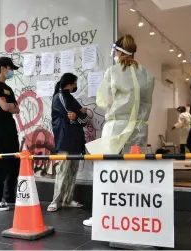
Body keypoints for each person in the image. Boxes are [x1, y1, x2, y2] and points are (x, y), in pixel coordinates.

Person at [83, 34, 155, 227]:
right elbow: (147, 102)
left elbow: (104, 100)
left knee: (107, 171)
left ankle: (102, 214)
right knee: (134, 171)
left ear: (118, 51)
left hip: (116, 127)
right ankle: (133, 215)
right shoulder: (147, 74)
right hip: (139, 128)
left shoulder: (112, 71)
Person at [47, 73, 90, 212]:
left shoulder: (71, 98)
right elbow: (72, 116)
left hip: (76, 141)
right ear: (69, 83)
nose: (76, 86)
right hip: (64, 140)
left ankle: (67, 199)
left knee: (72, 172)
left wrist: (79, 114)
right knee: (63, 171)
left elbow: (83, 119)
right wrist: (79, 113)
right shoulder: (59, 97)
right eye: (75, 83)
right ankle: (55, 201)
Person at [0, 57, 21, 211]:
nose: (11, 71)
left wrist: (10, 105)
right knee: (0, 167)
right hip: (0, 130)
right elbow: (5, 107)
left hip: (11, 130)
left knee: (14, 165)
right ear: (3, 68)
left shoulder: (8, 88)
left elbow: (16, 108)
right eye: (10, 68)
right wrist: (10, 105)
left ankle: (10, 198)